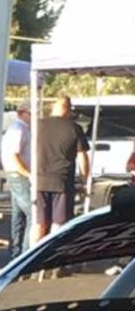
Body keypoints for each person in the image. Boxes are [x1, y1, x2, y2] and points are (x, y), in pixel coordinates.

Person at [35, 94, 89, 241]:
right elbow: (83, 158)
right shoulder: (74, 128)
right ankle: (51, 256)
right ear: (68, 109)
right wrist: (85, 181)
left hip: (39, 180)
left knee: (39, 222)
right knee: (59, 223)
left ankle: (32, 255)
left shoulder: (37, 125)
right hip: (62, 181)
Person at [1, 100, 32, 257]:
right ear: (22, 113)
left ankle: (16, 253)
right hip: (19, 175)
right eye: (31, 114)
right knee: (33, 214)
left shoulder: (21, 128)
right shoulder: (18, 129)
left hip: (16, 174)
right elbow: (15, 154)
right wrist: (27, 173)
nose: (34, 117)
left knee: (18, 216)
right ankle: (25, 254)